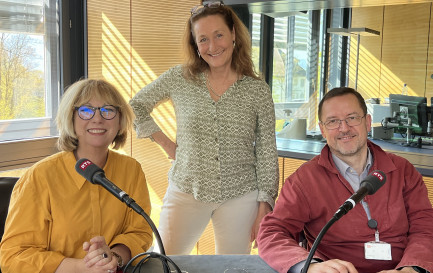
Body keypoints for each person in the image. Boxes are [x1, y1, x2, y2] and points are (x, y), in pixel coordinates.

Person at [129, 0, 278, 255]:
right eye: (203, 39)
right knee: (164, 261)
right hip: (186, 188)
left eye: (218, 35)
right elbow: (135, 105)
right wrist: (168, 145)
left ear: (233, 34)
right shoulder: (180, 78)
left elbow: (266, 150)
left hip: (240, 194)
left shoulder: (257, 91)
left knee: (233, 269)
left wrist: (265, 203)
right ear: (195, 45)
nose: (212, 46)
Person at [257, 87, 433, 273]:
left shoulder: (403, 170)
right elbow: (272, 232)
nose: (344, 128)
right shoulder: (303, 180)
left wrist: (413, 268)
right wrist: (310, 267)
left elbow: (425, 226)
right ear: (323, 130)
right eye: (333, 121)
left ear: (367, 122)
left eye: (352, 118)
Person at [0, 79, 153, 273]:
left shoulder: (131, 170)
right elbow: (13, 257)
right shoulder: (39, 177)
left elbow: (140, 231)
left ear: (120, 119)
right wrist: (81, 267)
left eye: (108, 110)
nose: (97, 118)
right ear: (70, 117)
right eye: (86, 110)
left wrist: (113, 257)